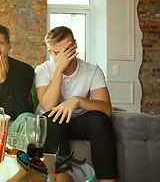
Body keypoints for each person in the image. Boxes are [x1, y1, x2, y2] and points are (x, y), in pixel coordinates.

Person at [35, 26, 118, 182]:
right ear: (51, 53)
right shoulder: (43, 70)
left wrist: (78, 100)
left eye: (69, 49)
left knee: (100, 119)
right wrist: (58, 69)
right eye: (60, 53)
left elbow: (106, 109)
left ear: (75, 44)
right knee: (50, 119)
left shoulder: (92, 70)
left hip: (80, 121)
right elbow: (48, 106)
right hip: (53, 124)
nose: (67, 56)